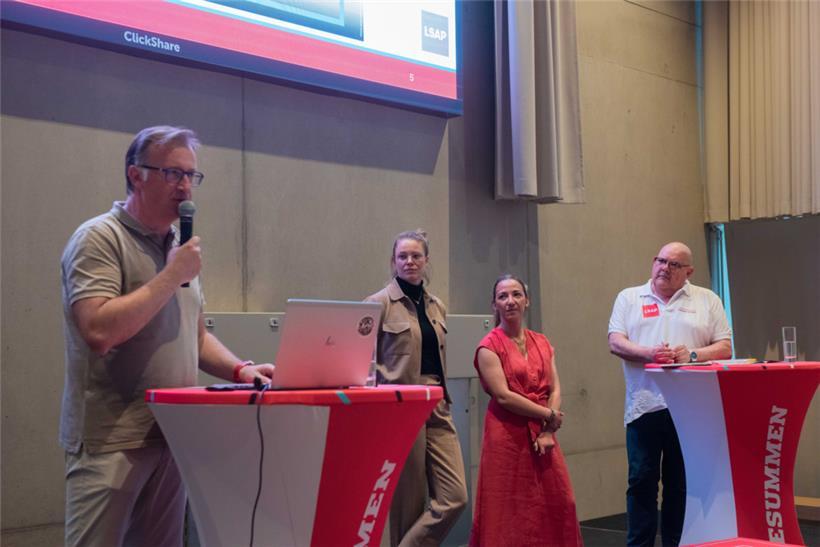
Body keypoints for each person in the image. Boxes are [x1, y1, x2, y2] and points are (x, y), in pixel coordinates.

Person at [60, 126, 275, 547]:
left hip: (173, 433)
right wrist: (172, 275)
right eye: (173, 174)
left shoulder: (178, 247)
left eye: (191, 176)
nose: (185, 187)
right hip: (113, 440)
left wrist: (242, 369)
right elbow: (99, 331)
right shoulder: (99, 238)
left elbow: (193, 336)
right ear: (136, 174)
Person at [608, 242, 732, 546]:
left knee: (680, 484)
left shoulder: (707, 300)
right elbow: (615, 342)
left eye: (674, 264)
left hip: (690, 410)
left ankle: (677, 543)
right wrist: (649, 353)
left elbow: (725, 347)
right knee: (640, 481)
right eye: (660, 260)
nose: (665, 268)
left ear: (688, 271)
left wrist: (690, 355)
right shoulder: (630, 297)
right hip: (643, 406)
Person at [365, 229, 468, 547]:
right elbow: (362, 363)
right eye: (402, 256)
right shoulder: (377, 303)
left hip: (437, 403)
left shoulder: (437, 306)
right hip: (400, 408)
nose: (409, 262)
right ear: (393, 262)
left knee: (455, 497)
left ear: (426, 261)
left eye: (416, 256)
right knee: (408, 504)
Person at [470, 274, 582, 547]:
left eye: (516, 294)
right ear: (494, 304)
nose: (510, 301)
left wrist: (548, 430)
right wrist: (549, 416)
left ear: (527, 300)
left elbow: (555, 389)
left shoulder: (542, 341)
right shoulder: (489, 346)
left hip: (543, 432)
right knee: (508, 509)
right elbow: (504, 396)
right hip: (507, 436)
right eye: (503, 296)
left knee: (559, 499)